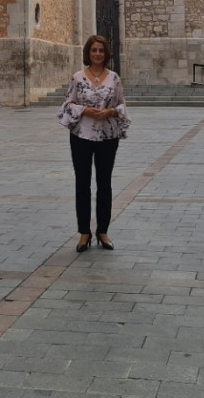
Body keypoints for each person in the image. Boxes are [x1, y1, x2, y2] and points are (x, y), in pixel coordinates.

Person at [59, 35, 130, 252]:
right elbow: (67, 104)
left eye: (100, 50)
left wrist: (110, 111)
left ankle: (103, 231)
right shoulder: (78, 78)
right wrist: (85, 110)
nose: (97, 54)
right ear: (88, 54)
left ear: (105, 53)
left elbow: (121, 106)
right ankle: (83, 233)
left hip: (107, 137)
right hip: (81, 136)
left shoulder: (114, 78)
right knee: (82, 183)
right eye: (93, 50)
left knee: (104, 183)